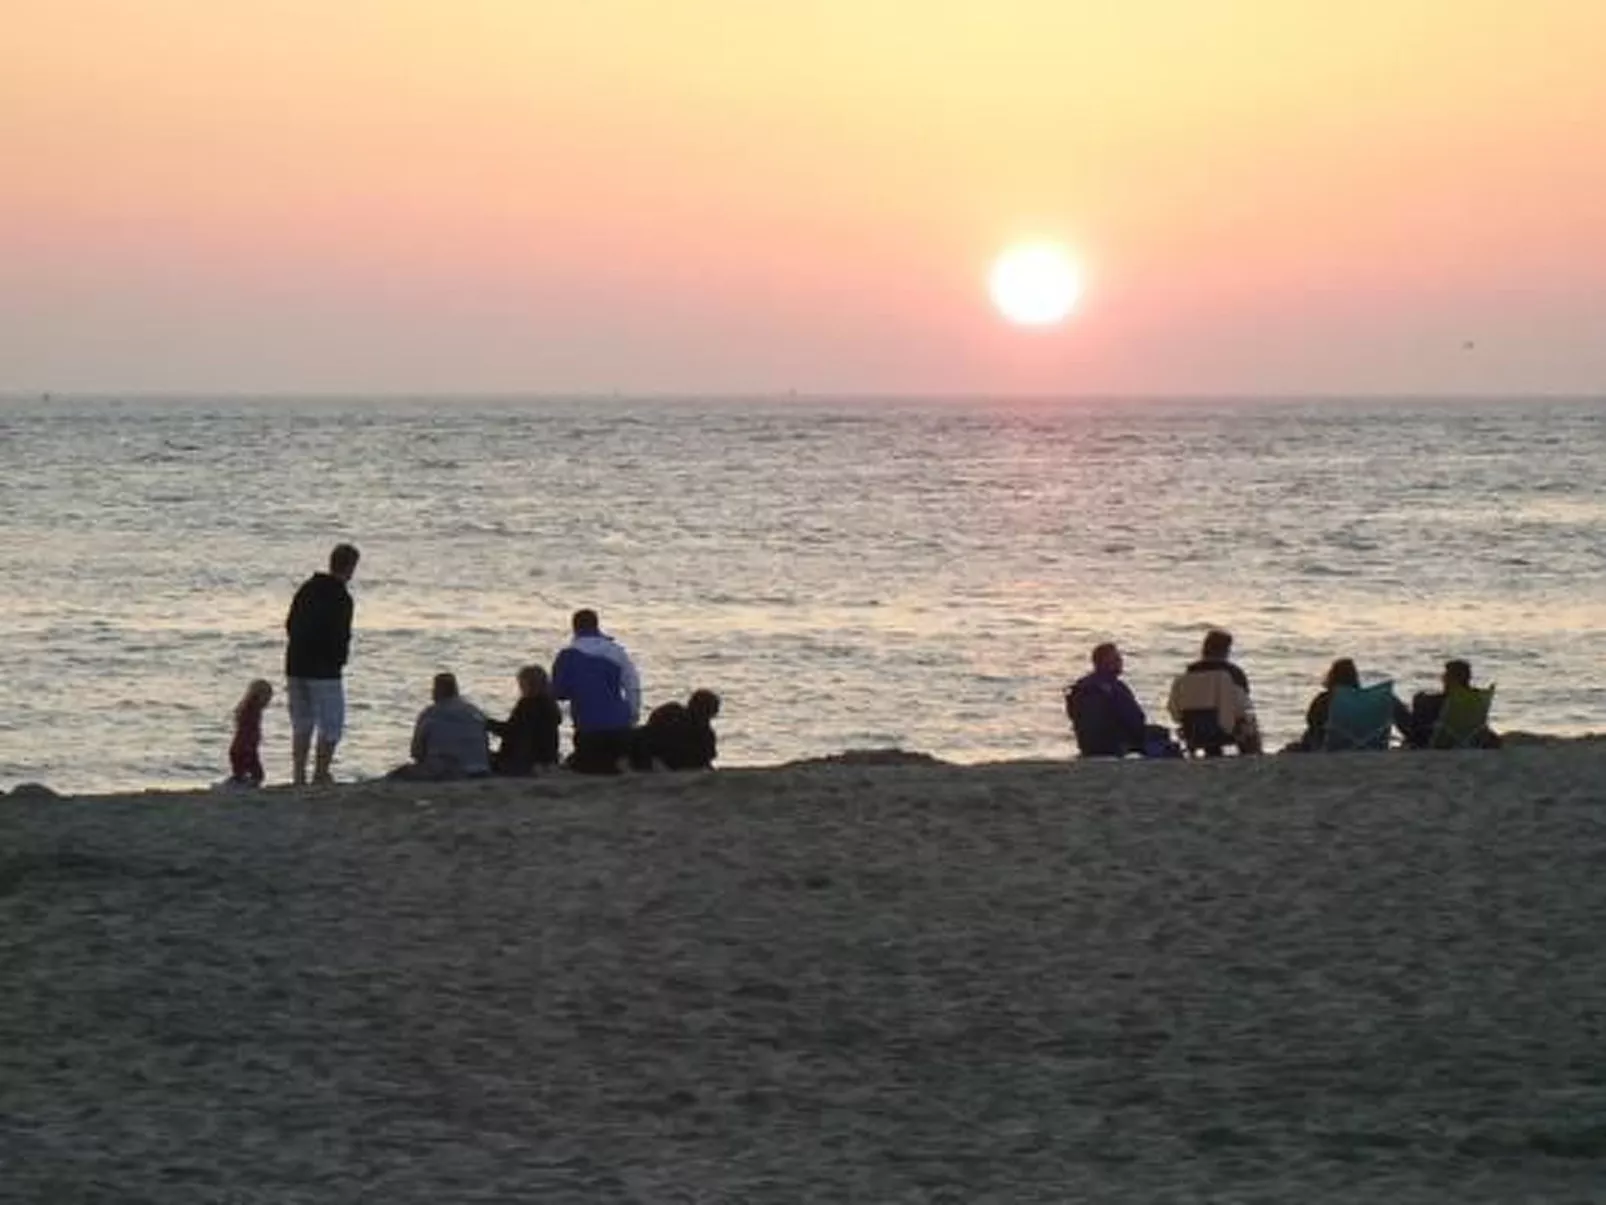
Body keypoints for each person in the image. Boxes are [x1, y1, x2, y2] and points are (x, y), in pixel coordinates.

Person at [285, 543, 359, 786]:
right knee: (331, 723)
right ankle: (321, 772)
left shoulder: (307, 588)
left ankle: (298, 774)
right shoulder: (341, 597)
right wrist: (338, 659)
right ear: (350, 567)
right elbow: (340, 635)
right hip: (325, 670)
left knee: (301, 722)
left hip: (296, 663)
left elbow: (290, 624)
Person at [552, 609, 642, 774]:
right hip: (621, 729)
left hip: (589, 731)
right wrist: (633, 716)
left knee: (585, 764)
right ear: (596, 625)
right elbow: (633, 686)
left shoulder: (567, 656)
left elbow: (559, 693)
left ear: (574, 628)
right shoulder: (616, 651)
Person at [1064, 643, 1173, 758]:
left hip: (1087, 744)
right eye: (1116, 659)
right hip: (1116, 744)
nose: (1121, 662)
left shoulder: (1080, 687)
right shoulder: (1115, 687)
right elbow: (1135, 719)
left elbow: (1072, 715)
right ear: (1105, 662)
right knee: (1160, 734)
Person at [1168, 628, 1261, 756]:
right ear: (1225, 650)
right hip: (1223, 731)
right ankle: (1253, 757)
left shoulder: (1184, 678)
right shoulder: (1232, 674)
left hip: (1192, 733)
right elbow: (1242, 705)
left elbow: (1174, 710)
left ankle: (1211, 752)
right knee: (1248, 722)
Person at [1288, 658, 1412, 751]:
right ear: (1355, 678)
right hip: (1373, 747)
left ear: (1332, 678)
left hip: (1332, 749)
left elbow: (1313, 726)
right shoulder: (1382, 698)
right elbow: (1407, 725)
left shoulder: (1325, 700)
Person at [391, 672, 491, 780]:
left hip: (448, 770)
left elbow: (416, 751)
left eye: (434, 689)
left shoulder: (431, 714)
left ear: (438, 691)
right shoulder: (474, 712)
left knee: (399, 774)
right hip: (480, 768)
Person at [1407, 659, 1502, 749]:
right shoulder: (1477, 698)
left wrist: (1419, 700)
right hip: (1466, 738)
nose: (1443, 678)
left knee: (1406, 712)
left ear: (1452, 678)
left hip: (1435, 739)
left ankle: (1409, 744)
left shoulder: (1445, 700)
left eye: (1446, 675)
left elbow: (1421, 723)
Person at [486, 665, 562, 775]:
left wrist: (486, 723)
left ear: (530, 684)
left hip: (525, 760)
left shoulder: (528, 704)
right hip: (548, 758)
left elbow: (511, 731)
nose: (520, 688)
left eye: (521, 684)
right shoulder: (550, 704)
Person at [630, 689, 721, 771]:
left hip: (646, 755)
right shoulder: (704, 733)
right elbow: (706, 759)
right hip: (660, 762)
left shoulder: (670, 711)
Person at [227, 678, 273, 787]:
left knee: (242, 771)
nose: (268, 702)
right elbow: (249, 731)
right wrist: (253, 741)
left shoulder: (248, 708)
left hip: (240, 748)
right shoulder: (252, 710)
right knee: (257, 774)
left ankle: (239, 782)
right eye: (268, 698)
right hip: (245, 748)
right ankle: (241, 784)